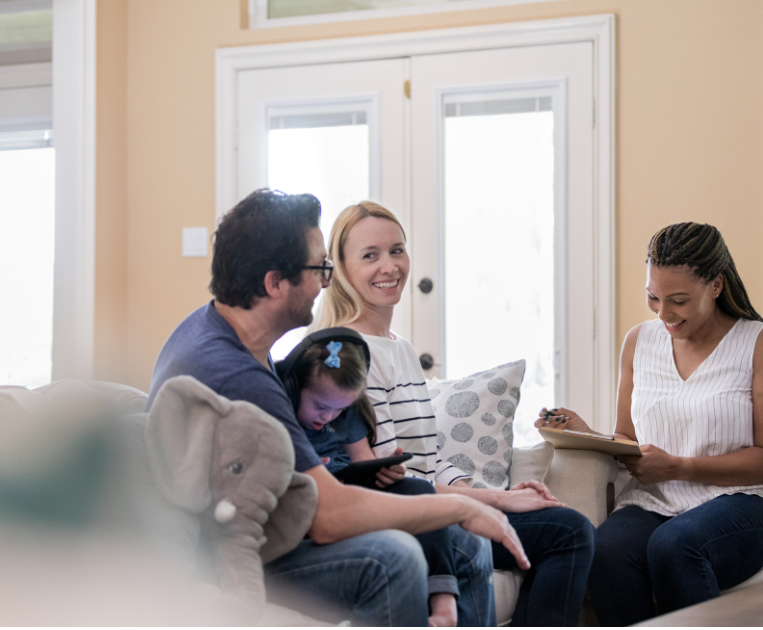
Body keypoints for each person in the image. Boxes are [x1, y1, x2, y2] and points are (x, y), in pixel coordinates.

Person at [146, 189, 529, 627]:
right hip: (236, 554)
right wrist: (462, 507)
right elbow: (328, 517)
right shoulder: (236, 376)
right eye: (319, 268)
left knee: (461, 542)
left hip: (265, 526)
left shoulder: (221, 332)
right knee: (394, 558)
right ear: (274, 283)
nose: (326, 282)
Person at [312, 200, 596, 627]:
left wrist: (474, 487)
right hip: (405, 515)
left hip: (432, 501)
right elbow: (392, 481)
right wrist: (497, 499)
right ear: (342, 269)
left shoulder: (401, 348)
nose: (389, 266)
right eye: (370, 255)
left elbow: (427, 453)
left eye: (396, 250)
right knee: (556, 532)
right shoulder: (350, 356)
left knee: (570, 528)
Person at [538, 222, 763, 625]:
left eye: (678, 300)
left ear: (715, 285)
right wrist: (586, 434)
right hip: (655, 500)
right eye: (653, 298)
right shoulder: (639, 342)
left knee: (675, 545)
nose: (664, 314)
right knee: (605, 548)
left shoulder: (761, 344)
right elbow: (629, 437)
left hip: (748, 500)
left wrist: (678, 466)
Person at [276, 328, 494, 626]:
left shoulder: (343, 411)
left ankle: (443, 599)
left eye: (338, 411)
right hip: (313, 497)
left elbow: (362, 459)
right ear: (294, 385)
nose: (327, 418)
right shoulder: (280, 409)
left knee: (418, 490)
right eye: (321, 407)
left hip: (350, 487)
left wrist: (383, 471)